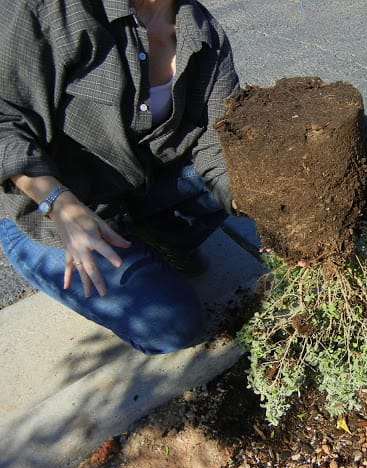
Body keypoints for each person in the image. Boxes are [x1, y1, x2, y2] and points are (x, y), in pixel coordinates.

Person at [0, 0, 240, 354]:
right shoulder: (48, 10)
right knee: (171, 325)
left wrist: (276, 220)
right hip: (47, 206)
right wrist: (58, 204)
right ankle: (32, 254)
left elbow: (217, 145)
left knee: (261, 174)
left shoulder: (201, 31)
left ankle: (152, 240)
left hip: (136, 186)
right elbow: (5, 123)